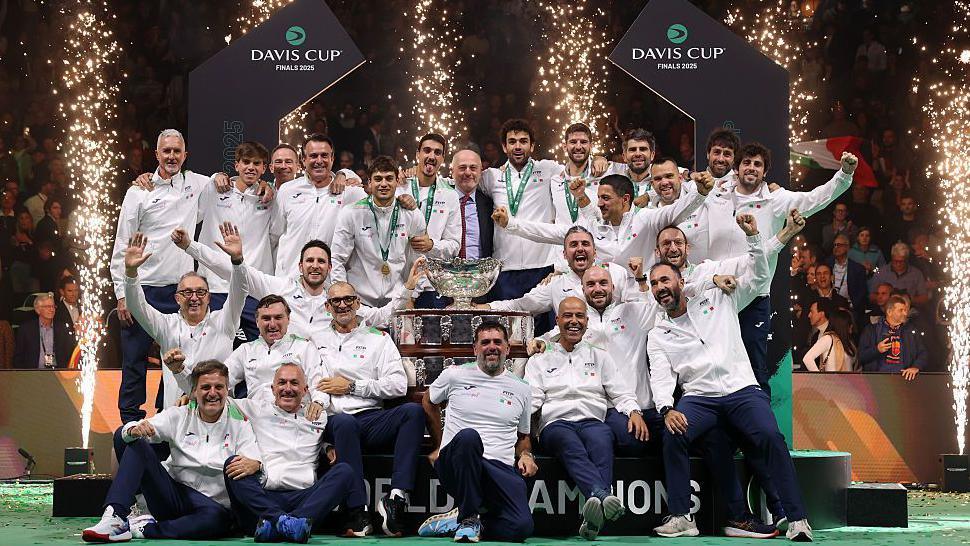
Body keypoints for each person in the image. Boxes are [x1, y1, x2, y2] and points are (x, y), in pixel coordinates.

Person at [647, 213, 814, 541]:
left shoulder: (718, 296)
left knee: (770, 436)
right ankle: (682, 516)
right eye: (654, 284)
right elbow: (661, 376)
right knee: (673, 433)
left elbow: (758, 277)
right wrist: (667, 408)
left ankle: (796, 518)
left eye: (665, 281)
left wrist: (754, 237)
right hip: (700, 397)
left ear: (681, 281)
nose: (660, 288)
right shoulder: (659, 332)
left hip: (741, 388)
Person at [700, 144, 858, 394]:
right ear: (737, 168)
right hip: (716, 293)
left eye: (758, 164)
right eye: (747, 163)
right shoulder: (715, 195)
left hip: (753, 296)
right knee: (710, 367)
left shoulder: (776, 200)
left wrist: (844, 175)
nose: (751, 168)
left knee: (753, 368)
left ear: (765, 172)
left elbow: (815, 198)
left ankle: (757, 428)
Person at [110, 129, 230, 423]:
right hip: (143, 289)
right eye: (167, 151)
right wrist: (122, 295)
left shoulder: (196, 183)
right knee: (134, 361)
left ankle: (170, 417)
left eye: (177, 151)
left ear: (185, 155)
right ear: (157, 154)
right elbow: (122, 244)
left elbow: (222, 179)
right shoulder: (139, 191)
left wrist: (221, 176)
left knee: (179, 359)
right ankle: (130, 424)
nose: (172, 156)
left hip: (179, 290)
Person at [82, 360, 261, 542]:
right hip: (174, 495)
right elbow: (131, 433)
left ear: (227, 389)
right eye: (206, 387)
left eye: (219, 387)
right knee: (133, 440)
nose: (212, 393)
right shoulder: (179, 415)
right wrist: (133, 430)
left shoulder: (241, 424)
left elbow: (253, 459)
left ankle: (145, 529)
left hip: (212, 507)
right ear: (193, 392)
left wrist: (256, 463)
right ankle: (115, 517)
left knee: (217, 520)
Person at [526, 297, 645, 540]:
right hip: (555, 423)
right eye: (567, 316)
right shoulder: (540, 359)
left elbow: (620, 392)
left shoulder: (600, 356)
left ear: (587, 321)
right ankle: (603, 495)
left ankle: (593, 519)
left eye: (579, 316)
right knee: (569, 444)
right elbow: (533, 399)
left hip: (592, 420)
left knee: (602, 440)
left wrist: (634, 411)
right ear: (557, 320)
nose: (573, 321)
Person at [315, 281, 425, 537]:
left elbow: (398, 384)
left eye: (348, 299)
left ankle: (396, 498)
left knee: (413, 412)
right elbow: (313, 382)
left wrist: (353, 386)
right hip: (336, 419)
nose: (342, 305)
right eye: (336, 301)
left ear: (358, 303)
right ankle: (357, 510)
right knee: (344, 422)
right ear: (327, 306)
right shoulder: (315, 338)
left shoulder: (379, 338)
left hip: (372, 417)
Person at [418, 322, 536, 543]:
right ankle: (469, 516)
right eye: (485, 342)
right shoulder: (455, 375)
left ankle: (462, 520)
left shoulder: (522, 388)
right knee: (469, 437)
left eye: (497, 342)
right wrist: (439, 443)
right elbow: (428, 400)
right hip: (458, 462)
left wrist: (527, 455)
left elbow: (523, 436)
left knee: (521, 528)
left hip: (498, 468)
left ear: (507, 349)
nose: (492, 347)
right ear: (475, 349)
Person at [225, 364, 361, 542]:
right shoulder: (255, 409)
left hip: (305, 499)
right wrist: (184, 386)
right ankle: (287, 523)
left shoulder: (318, 416)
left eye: (294, 383)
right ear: (273, 388)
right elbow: (216, 398)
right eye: (282, 383)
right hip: (265, 497)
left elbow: (313, 435)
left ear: (305, 390)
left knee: (345, 471)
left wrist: (325, 446)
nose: (287, 389)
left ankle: (275, 525)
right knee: (232, 464)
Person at [122, 224, 248, 409]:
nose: (194, 298)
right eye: (187, 292)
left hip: (219, 417)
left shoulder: (224, 321)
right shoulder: (165, 325)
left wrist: (237, 260)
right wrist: (131, 273)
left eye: (200, 292)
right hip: (177, 420)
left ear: (209, 297)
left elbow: (239, 290)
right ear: (177, 298)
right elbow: (136, 306)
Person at [496, 172, 710, 268]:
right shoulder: (591, 228)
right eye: (599, 198)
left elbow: (677, 211)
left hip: (642, 301)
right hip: (603, 302)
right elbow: (550, 232)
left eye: (605, 198)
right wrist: (511, 224)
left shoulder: (647, 219)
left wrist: (699, 192)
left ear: (625, 199)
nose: (599, 204)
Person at [480, 119, 562, 315]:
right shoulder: (491, 176)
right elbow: (460, 181)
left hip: (542, 267)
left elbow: (577, 174)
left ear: (532, 145)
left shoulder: (548, 169)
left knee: (541, 335)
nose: (518, 146)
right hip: (506, 267)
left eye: (523, 141)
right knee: (508, 329)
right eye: (512, 141)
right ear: (504, 146)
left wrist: (600, 160)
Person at [195, 141, 276, 340]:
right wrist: (215, 177)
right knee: (215, 351)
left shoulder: (270, 197)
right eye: (246, 162)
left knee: (256, 351)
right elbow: (187, 207)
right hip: (217, 286)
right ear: (236, 165)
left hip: (254, 288)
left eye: (257, 163)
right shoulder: (214, 189)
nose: (251, 167)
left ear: (264, 168)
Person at [331, 155, 427, 307]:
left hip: (398, 300)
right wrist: (344, 296)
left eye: (389, 178)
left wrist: (411, 294)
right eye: (378, 179)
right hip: (360, 301)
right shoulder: (351, 213)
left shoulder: (412, 214)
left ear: (397, 181)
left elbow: (418, 261)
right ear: (369, 182)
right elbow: (337, 259)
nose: (384, 184)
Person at [481, 225, 640, 316]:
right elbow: (519, 306)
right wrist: (483, 308)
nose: (579, 249)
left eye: (585, 244)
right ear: (564, 254)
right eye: (573, 245)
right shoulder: (554, 284)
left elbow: (637, 308)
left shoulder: (617, 273)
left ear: (595, 251)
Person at [217, 295, 328, 416]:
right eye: (266, 318)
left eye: (278, 317)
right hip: (257, 419)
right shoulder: (246, 350)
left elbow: (318, 381)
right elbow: (220, 379)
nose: (272, 324)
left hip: (294, 417)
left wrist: (319, 402)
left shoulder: (304, 347)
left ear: (288, 319)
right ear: (257, 322)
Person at [272, 133, 363, 278]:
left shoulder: (349, 193)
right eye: (313, 156)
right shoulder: (287, 191)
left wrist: (405, 198)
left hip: (331, 284)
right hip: (290, 281)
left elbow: (380, 203)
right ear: (303, 160)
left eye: (324, 156)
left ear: (332, 159)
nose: (319, 161)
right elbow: (274, 236)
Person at [400, 134, 461, 308]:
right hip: (399, 282)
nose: (431, 156)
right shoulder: (400, 186)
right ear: (418, 154)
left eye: (437, 152)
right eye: (427, 150)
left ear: (443, 158)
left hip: (431, 285)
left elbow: (454, 245)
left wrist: (432, 245)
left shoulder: (450, 195)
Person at [550, 122, 610, 224]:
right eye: (573, 142)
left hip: (596, 238)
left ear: (591, 146)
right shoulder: (555, 180)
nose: (578, 147)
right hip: (562, 239)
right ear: (565, 146)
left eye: (583, 142)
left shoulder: (605, 174)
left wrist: (601, 158)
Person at [858, 295, 927, 380]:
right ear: (889, 312)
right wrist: (877, 349)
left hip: (904, 379)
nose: (905, 313)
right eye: (901, 310)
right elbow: (861, 357)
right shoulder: (871, 330)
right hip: (878, 380)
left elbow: (923, 353)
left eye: (905, 310)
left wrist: (916, 367)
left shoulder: (911, 331)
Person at [451, 149, 494, 261]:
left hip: (480, 274)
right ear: (452, 171)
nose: (468, 173)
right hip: (445, 273)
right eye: (462, 168)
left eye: (473, 168)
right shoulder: (441, 198)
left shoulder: (490, 204)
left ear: (481, 172)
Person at [13, 292, 72, 368]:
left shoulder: (63, 329)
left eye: (53, 306)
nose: (51, 309)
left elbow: (69, 354)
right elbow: (18, 357)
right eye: (47, 307)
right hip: (33, 375)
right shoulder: (26, 329)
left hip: (59, 374)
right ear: (38, 310)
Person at [869, 242, 929, 306]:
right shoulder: (881, 272)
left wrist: (907, 299)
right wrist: (884, 298)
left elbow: (924, 298)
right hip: (885, 311)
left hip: (909, 311)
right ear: (892, 258)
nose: (898, 264)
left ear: (906, 260)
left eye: (901, 261)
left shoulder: (916, 274)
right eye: (895, 261)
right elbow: (871, 296)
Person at [825, 233, 868, 321]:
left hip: (850, 309)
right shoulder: (827, 264)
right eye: (835, 245)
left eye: (839, 245)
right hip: (829, 307)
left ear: (847, 247)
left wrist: (849, 306)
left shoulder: (858, 269)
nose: (836, 247)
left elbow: (862, 292)